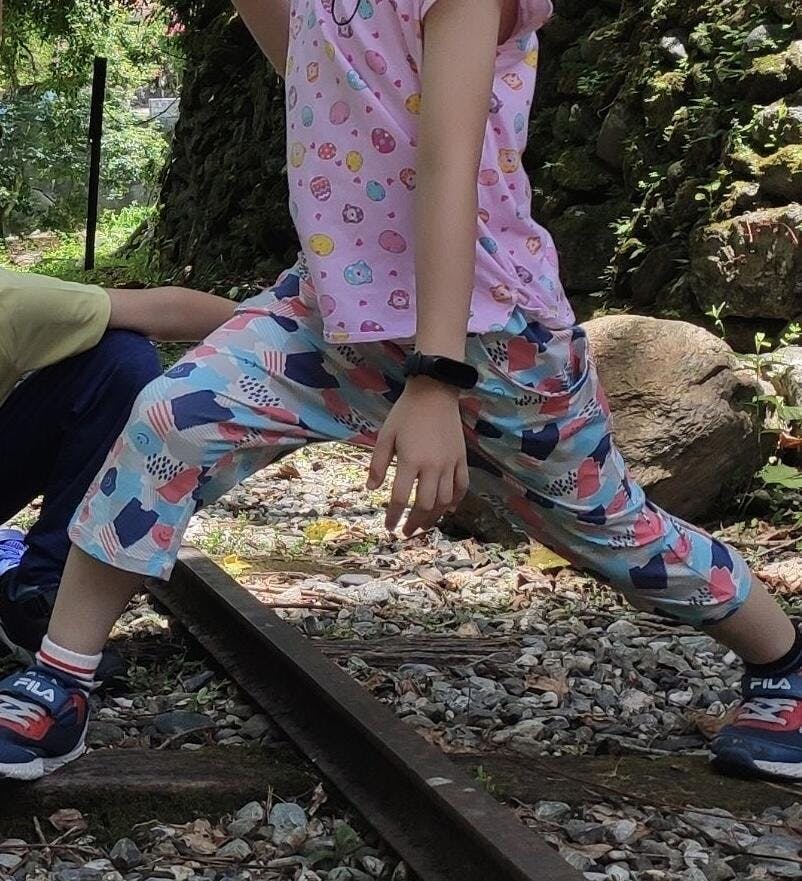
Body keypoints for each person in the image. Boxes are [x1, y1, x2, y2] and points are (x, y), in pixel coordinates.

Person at [0, 0, 798, 783]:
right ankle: (62, 678)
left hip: (488, 333)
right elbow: (308, 76)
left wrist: (435, 379)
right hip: (330, 312)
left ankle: (783, 663)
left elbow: (449, 165)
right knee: (171, 418)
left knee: (609, 529)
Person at [0, 268, 235, 670]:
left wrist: (292, 329)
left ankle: (40, 593)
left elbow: (161, 310)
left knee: (119, 358)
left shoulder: (11, 301)